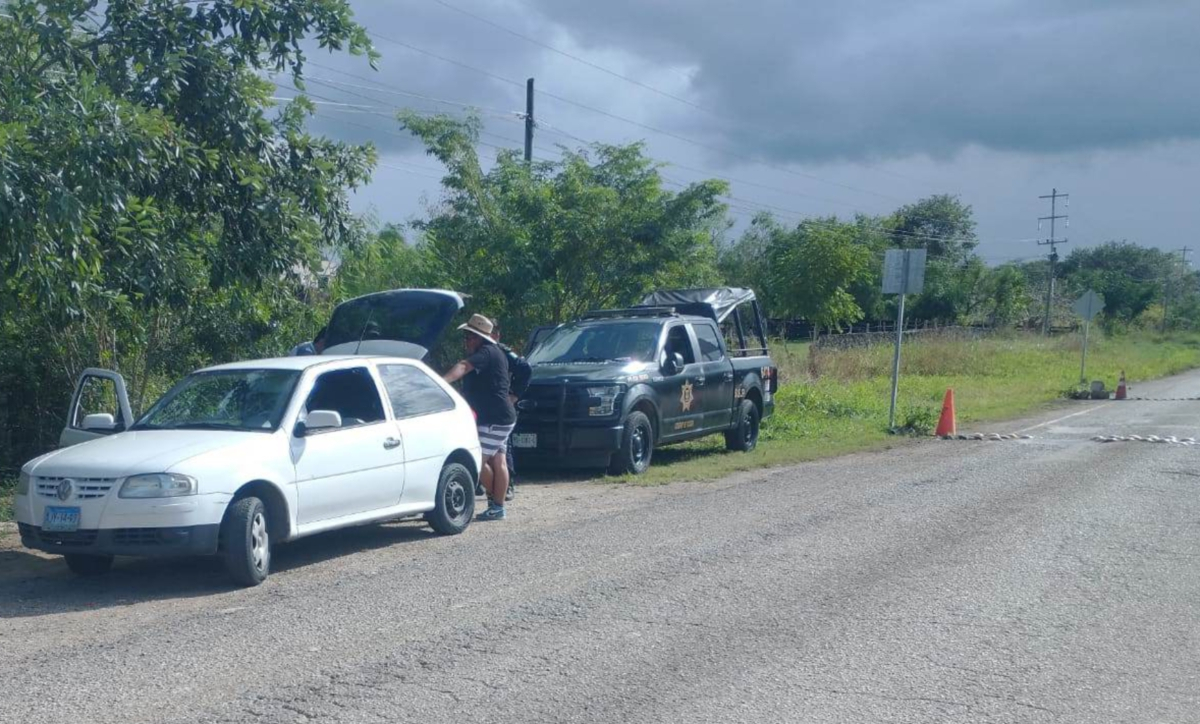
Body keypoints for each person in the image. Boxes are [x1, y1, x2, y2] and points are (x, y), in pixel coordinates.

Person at [443, 314, 515, 521]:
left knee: (476, 461)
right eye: (465, 337)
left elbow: (463, 366)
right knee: (498, 460)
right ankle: (497, 506)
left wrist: (442, 382)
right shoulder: (495, 352)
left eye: (469, 336)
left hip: (494, 419)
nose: (466, 341)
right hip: (501, 416)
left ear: (479, 338)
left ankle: (495, 501)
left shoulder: (486, 352)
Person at [491, 321, 532, 502]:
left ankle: (508, 485)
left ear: (497, 335)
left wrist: (514, 395)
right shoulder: (476, 351)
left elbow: (525, 369)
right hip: (482, 405)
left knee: (502, 447)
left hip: (501, 406)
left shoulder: (503, 352)